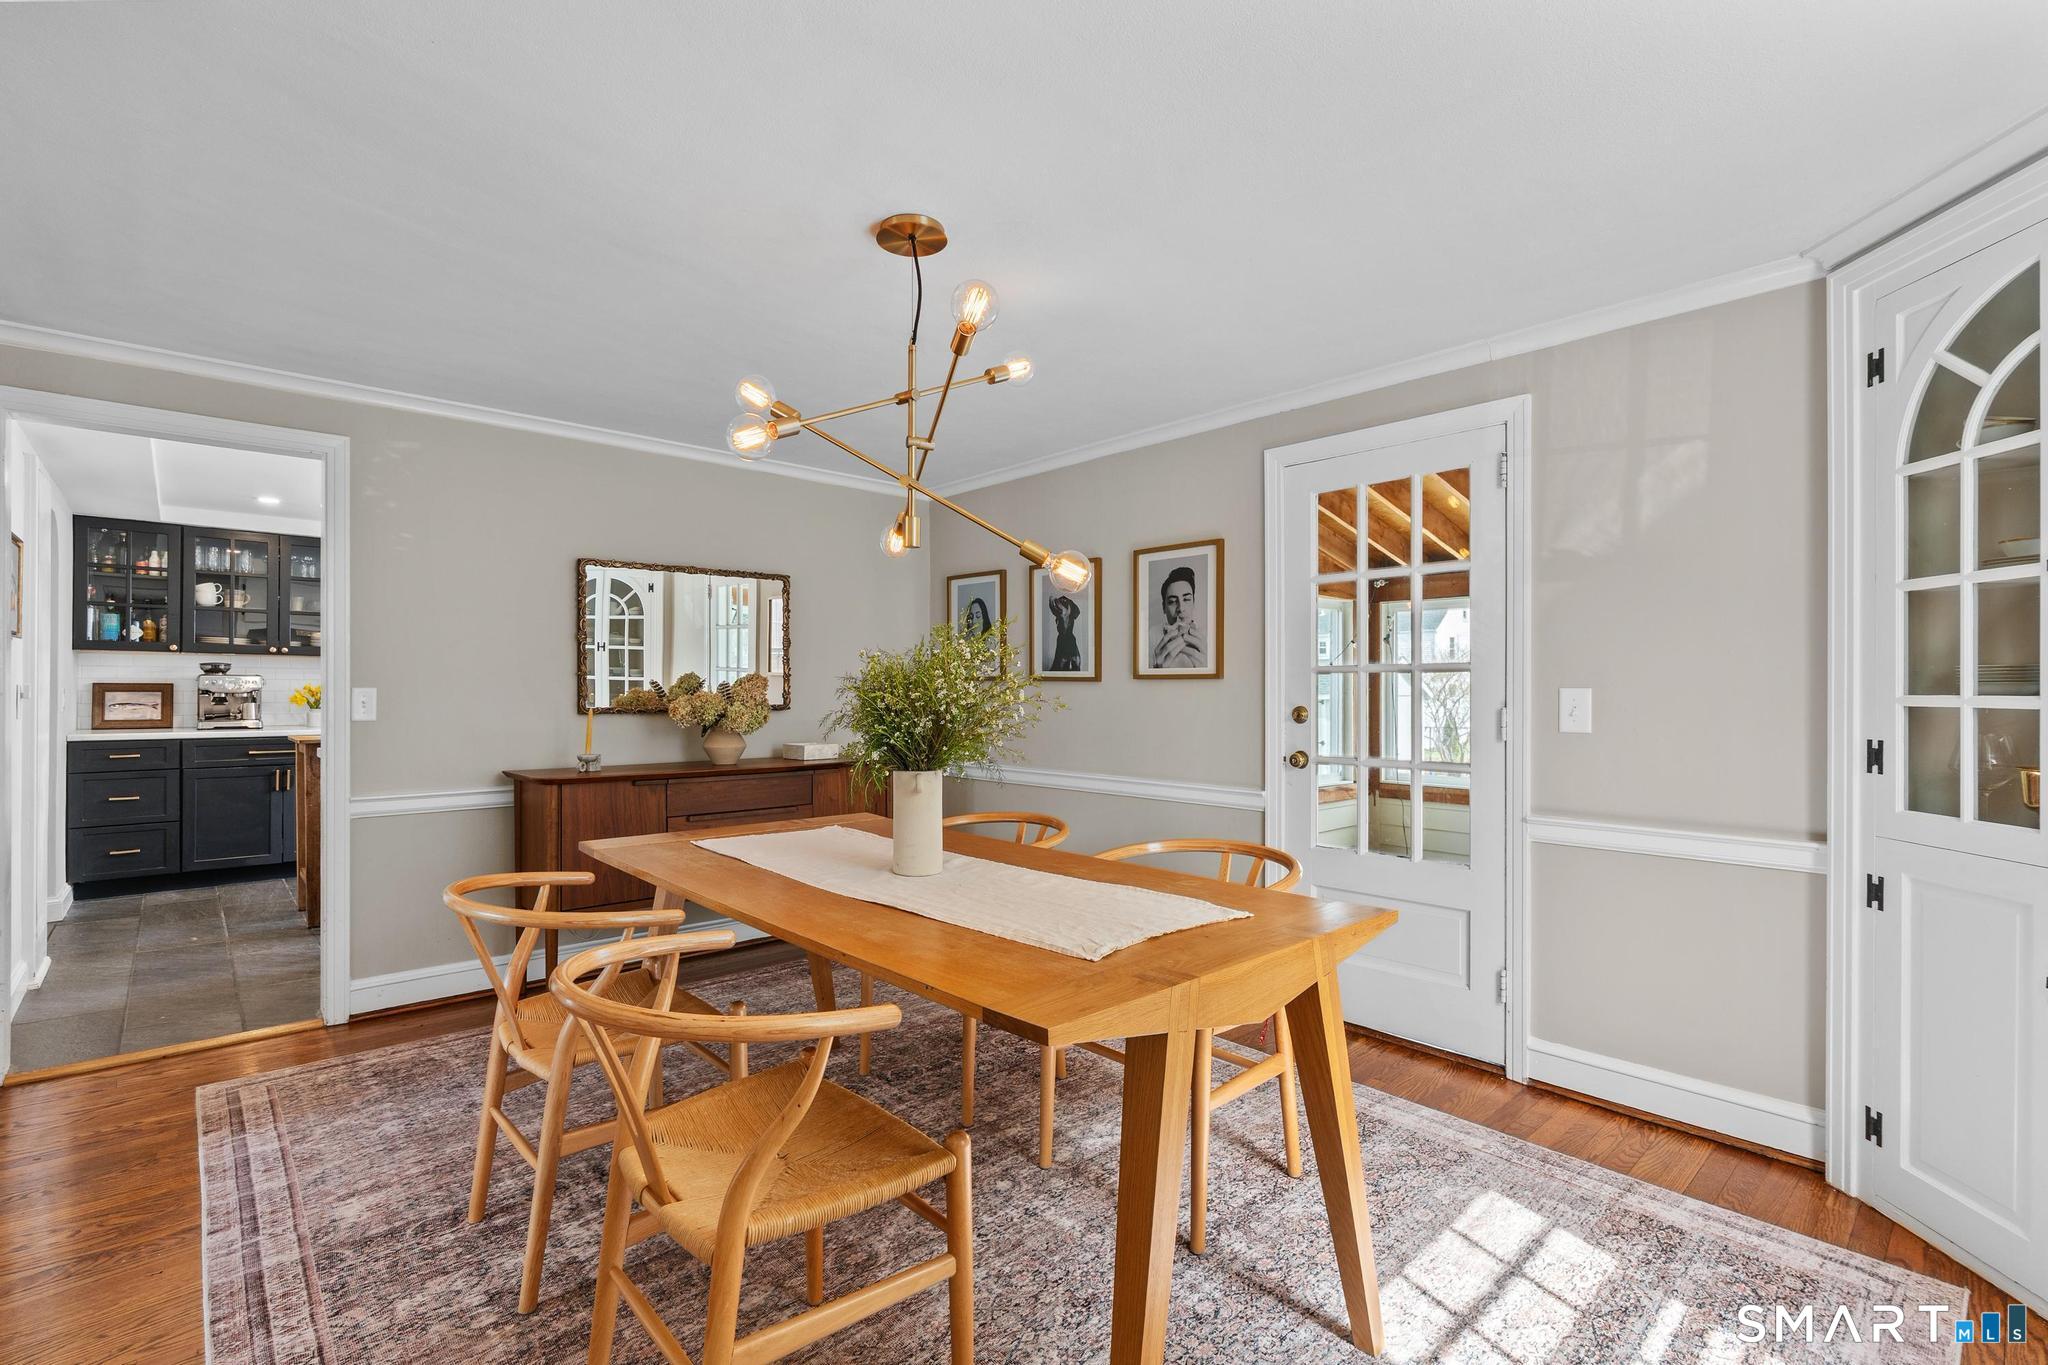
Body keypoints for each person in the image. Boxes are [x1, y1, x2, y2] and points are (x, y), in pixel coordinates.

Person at [1149, 565, 1205, 669]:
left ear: (1194, 602)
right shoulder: (1150, 637)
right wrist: (1156, 670)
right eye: (1172, 602)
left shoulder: (1207, 637)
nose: (1180, 608)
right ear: (1164, 608)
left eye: (1187, 599)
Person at [1048, 594, 1082, 671]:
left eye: (1064, 601)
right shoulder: (1059, 617)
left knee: (1076, 667)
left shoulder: (1073, 610)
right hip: (1062, 640)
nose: (1059, 602)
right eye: (1059, 601)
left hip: (1070, 640)